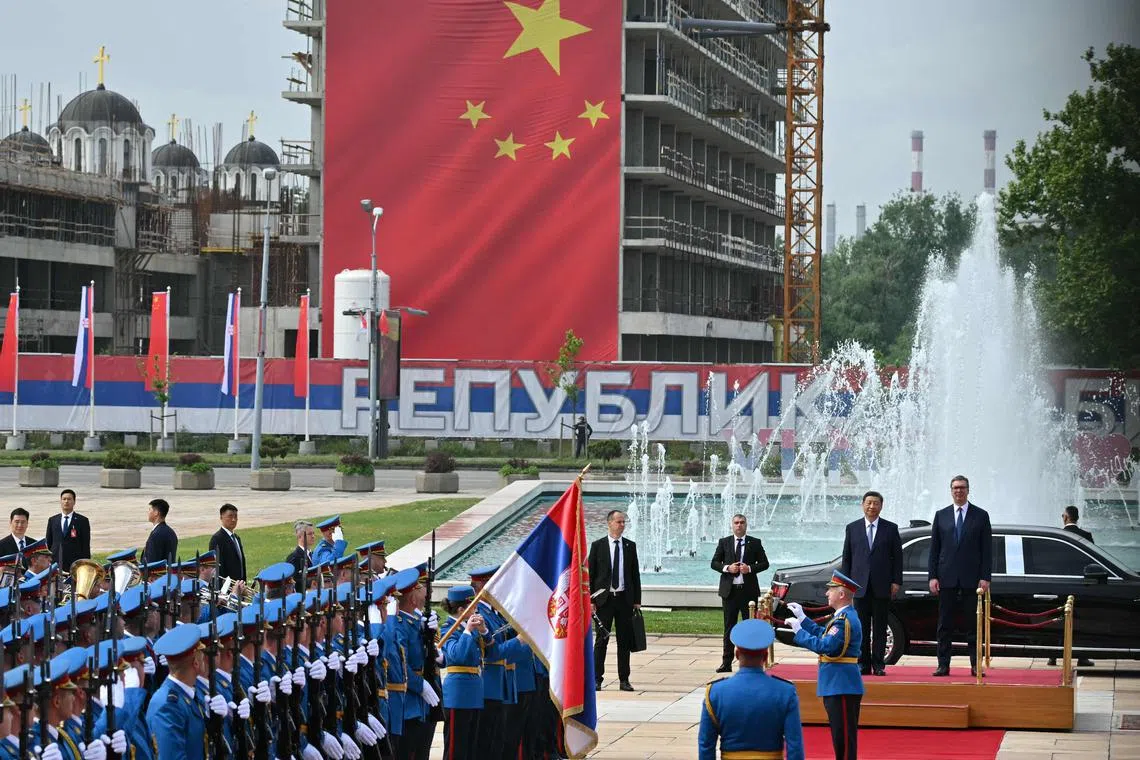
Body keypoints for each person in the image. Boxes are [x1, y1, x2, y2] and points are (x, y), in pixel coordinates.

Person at [698, 619, 803, 760]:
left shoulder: (715, 692)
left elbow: (706, 745)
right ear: (765, 657)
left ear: (736, 655)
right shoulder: (785, 692)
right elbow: (794, 746)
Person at [786, 570, 864, 760]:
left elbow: (825, 646)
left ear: (842, 594)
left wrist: (799, 631)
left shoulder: (844, 620)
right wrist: (803, 620)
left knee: (843, 741)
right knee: (840, 738)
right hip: (838, 684)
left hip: (841, 685)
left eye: (831, 590)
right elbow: (825, 634)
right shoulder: (842, 618)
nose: (827, 593)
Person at [929, 475, 992, 677]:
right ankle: (943, 665)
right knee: (944, 625)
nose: (959, 491)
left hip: (971, 580)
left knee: (973, 626)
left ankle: (975, 665)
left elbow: (987, 550)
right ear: (951, 490)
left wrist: (985, 577)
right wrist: (933, 576)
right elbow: (934, 550)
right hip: (946, 579)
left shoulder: (981, 516)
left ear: (968, 490)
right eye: (955, 488)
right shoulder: (941, 515)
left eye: (962, 488)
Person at [840, 490, 903, 676]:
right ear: (863, 505)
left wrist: (896, 581)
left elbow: (897, 558)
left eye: (876, 503)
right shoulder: (852, 528)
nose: (872, 506)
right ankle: (863, 663)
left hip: (882, 585)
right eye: (869, 503)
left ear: (881, 506)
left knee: (880, 627)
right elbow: (847, 558)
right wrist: (846, 584)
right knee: (861, 628)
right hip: (859, 587)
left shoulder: (890, 529)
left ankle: (879, 665)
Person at [588, 509, 641, 691]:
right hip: (604, 600)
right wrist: (591, 600)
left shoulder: (630, 546)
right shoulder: (598, 546)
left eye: (624, 522)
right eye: (619, 522)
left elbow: (635, 575)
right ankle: (596, 679)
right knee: (601, 640)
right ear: (609, 523)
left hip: (624, 600)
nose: (622, 525)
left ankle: (624, 679)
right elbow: (591, 574)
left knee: (624, 640)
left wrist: (636, 600)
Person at [710, 513, 769, 672]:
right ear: (732, 525)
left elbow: (765, 564)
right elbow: (714, 563)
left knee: (750, 627)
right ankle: (726, 662)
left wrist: (749, 568)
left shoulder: (755, 543)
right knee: (729, 627)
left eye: (742, 522)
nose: (739, 525)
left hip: (748, 593)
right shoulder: (725, 542)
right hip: (729, 592)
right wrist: (727, 568)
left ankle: (752, 662)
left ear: (746, 525)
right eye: (736, 522)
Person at [1050, 507, 1094, 667]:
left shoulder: (1059, 537)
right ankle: (1082, 656)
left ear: (1066, 517)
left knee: (1059, 620)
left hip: (1061, 585)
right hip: (1082, 585)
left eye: (1063, 515)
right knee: (1080, 622)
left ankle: (1053, 656)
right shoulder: (1086, 536)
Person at [46, 489, 91, 572]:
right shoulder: (53, 520)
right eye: (64, 499)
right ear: (60, 501)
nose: (66, 501)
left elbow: (85, 545)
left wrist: (85, 565)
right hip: (56, 563)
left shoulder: (82, 521)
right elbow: (48, 543)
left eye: (69, 499)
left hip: (74, 564)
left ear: (74, 502)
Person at [208, 504, 247, 583]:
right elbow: (217, 568)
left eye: (235, 516)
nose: (233, 519)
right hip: (226, 588)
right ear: (221, 517)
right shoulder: (217, 539)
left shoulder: (236, 538)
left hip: (239, 585)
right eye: (230, 516)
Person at [143, 499, 178, 566]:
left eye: (150, 510)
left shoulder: (156, 534)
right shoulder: (170, 532)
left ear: (156, 513)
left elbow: (152, 562)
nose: (148, 512)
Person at [285, 520, 315, 590]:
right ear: (299, 536)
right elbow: (294, 582)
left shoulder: (313, 555)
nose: (313, 536)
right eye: (310, 534)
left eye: (313, 533)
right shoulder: (293, 558)